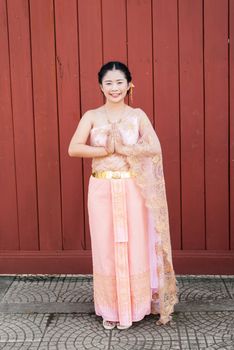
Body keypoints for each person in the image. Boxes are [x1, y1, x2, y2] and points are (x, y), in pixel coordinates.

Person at [68, 61, 178, 329]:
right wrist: (104, 150)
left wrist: (125, 149)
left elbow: (154, 147)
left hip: (133, 189)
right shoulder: (91, 116)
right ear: (100, 86)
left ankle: (137, 306)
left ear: (129, 84)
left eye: (119, 82)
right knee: (106, 247)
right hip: (102, 189)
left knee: (135, 245)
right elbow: (74, 148)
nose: (114, 88)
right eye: (108, 83)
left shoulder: (138, 115)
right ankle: (111, 309)